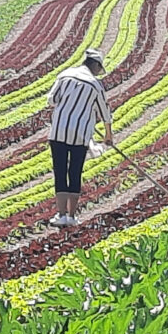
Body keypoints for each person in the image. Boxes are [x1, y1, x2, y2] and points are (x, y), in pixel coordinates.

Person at [46, 48, 113, 227]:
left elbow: (52, 100)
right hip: (80, 135)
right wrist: (108, 135)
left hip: (58, 132)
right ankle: (72, 216)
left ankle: (61, 215)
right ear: (96, 65)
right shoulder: (95, 85)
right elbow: (104, 112)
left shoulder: (65, 75)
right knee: (74, 172)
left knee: (60, 173)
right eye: (100, 68)